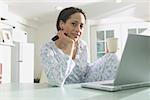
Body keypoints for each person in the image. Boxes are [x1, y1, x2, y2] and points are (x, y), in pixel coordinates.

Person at [40, 7, 119, 86]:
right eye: (74, 24)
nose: (78, 30)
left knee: (112, 57)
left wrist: (105, 60)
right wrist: (70, 46)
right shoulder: (47, 49)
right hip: (64, 91)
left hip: (83, 86)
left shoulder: (82, 45)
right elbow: (56, 81)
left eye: (81, 26)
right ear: (61, 24)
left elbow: (87, 71)